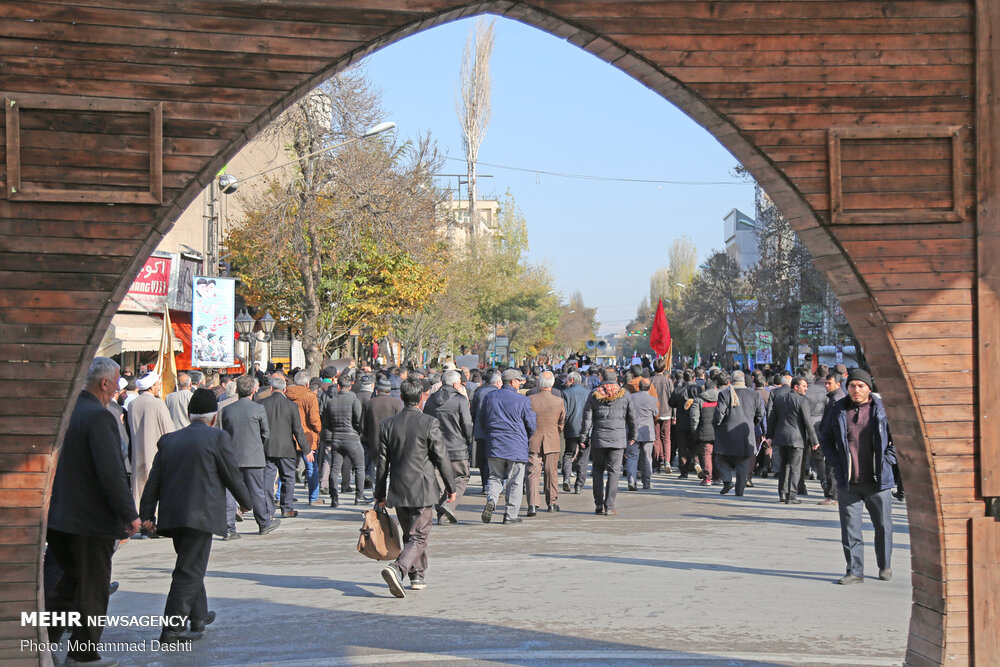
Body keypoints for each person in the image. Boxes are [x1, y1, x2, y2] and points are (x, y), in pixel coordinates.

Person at [139, 389, 254, 642]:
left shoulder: (169, 440)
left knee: (190, 563)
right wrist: (246, 502)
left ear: (190, 414)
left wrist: (146, 514)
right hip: (200, 514)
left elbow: (153, 481)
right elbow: (231, 474)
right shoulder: (217, 437)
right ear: (214, 417)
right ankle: (172, 628)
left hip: (173, 515)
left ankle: (199, 616)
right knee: (188, 570)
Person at [46, 358, 140, 666]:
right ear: (104, 383)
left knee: (69, 582)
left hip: (60, 517)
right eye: (115, 382)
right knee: (93, 587)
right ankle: (82, 654)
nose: (116, 389)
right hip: (90, 520)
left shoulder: (67, 412)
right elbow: (111, 473)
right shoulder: (99, 417)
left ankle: (43, 643)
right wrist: (129, 514)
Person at [375, 378, 456, 597]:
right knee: (418, 536)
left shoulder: (388, 424)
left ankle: (417, 575)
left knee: (410, 534)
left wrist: (379, 493)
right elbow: (441, 457)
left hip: (398, 487)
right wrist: (451, 486)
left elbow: (382, 463)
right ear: (421, 398)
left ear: (401, 397)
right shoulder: (429, 422)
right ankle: (398, 568)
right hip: (422, 487)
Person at [820, 369, 896, 585]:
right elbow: (825, 439)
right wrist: (836, 462)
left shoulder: (883, 410)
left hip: (878, 481)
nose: (856, 390)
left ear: (869, 388)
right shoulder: (837, 409)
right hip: (849, 481)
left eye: (861, 386)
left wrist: (888, 460)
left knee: (883, 527)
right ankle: (855, 571)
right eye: (852, 386)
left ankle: (884, 565)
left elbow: (899, 438)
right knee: (850, 529)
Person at [219, 375, 278, 537]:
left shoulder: (226, 410)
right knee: (257, 491)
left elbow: (222, 433)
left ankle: (229, 529)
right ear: (254, 390)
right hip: (253, 457)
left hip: (232, 457)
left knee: (229, 493)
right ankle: (264, 523)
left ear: (237, 390)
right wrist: (257, 445)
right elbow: (266, 433)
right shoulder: (258, 409)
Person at [479, 369, 536, 524]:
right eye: (519, 381)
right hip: (516, 445)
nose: (520, 384)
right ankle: (510, 515)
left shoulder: (490, 397)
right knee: (515, 481)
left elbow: (483, 420)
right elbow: (531, 424)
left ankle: (492, 499)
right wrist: (525, 437)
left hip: (495, 444)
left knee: (494, 477)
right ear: (512, 382)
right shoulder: (522, 400)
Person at [581, 368, 636, 516]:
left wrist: (584, 437)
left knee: (597, 470)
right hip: (617, 439)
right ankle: (609, 506)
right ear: (616, 379)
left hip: (599, 438)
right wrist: (633, 435)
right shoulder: (624, 394)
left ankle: (598, 504)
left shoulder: (594, 394)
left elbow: (587, 419)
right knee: (614, 472)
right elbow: (632, 417)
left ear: (601, 378)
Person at [422, 370, 473, 524]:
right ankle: (448, 507)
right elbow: (467, 423)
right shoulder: (460, 400)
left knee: (439, 482)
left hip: (436, 447)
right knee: (462, 476)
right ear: (456, 384)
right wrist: (468, 439)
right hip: (457, 447)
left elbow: (425, 422)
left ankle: (442, 515)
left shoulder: (431, 400)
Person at [259, 376, 311, 518]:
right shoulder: (291, 406)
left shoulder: (261, 403)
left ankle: (268, 510)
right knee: (288, 477)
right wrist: (307, 450)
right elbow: (298, 430)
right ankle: (286, 508)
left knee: (267, 480)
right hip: (286, 448)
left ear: (271, 389)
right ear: (285, 389)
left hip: (266, 447)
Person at [126, 371, 175, 516]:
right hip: (156, 453)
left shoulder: (132, 404)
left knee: (138, 488)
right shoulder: (158, 404)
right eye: (158, 384)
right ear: (152, 386)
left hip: (137, 453)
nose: (160, 386)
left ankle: (138, 517)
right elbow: (169, 431)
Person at [712, 371, 764, 496]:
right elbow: (760, 414)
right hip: (746, 434)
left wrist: (716, 424)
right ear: (744, 381)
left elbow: (719, 414)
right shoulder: (754, 395)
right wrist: (751, 424)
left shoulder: (724, 394)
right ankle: (739, 491)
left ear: (731, 380)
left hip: (727, 433)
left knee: (720, 459)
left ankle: (727, 480)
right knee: (743, 463)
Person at [767, 376, 818, 504]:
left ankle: (782, 493)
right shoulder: (802, 401)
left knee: (784, 465)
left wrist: (769, 435)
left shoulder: (779, 399)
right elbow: (808, 422)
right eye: (804, 386)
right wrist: (814, 441)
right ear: (796, 387)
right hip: (797, 438)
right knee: (795, 467)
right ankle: (792, 495)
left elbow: (772, 418)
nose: (806, 389)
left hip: (781, 437)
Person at [321, 373, 366, 506]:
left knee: (334, 469)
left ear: (338, 386)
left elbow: (326, 422)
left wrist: (335, 430)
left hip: (336, 438)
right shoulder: (354, 400)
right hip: (352, 437)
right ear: (350, 386)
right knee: (359, 467)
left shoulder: (330, 402)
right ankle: (359, 496)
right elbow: (359, 421)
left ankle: (334, 498)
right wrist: (358, 432)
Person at [526, 371, 566, 514]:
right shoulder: (559, 401)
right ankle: (552, 502)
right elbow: (562, 422)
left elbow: (525, 420)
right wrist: (556, 431)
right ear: (552, 383)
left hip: (533, 440)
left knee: (532, 472)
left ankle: (532, 504)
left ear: (539, 383)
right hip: (552, 439)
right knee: (551, 472)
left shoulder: (529, 399)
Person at [286, 371, 322, 505]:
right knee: (311, 467)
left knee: (286, 468)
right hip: (307, 435)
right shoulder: (310, 396)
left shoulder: (286, 394)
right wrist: (319, 430)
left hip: (289, 435)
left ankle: (281, 496)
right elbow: (314, 418)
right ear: (307, 384)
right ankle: (313, 497)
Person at [626, 377, 658, 490]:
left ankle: (631, 480)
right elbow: (656, 413)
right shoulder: (653, 399)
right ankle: (646, 482)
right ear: (649, 388)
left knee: (632, 457)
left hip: (633, 430)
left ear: (639, 386)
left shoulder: (631, 397)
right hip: (647, 432)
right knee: (647, 458)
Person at [561, 371, 591, 494]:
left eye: (567, 380)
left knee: (568, 454)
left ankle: (566, 478)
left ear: (572, 380)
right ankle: (579, 485)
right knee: (583, 457)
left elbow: (564, 412)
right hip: (586, 428)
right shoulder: (588, 392)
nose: (566, 383)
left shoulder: (565, 393)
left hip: (571, 427)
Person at [649, 358, 674, 473]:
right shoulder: (668, 381)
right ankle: (667, 461)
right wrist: (674, 415)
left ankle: (656, 464)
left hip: (654, 413)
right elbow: (672, 398)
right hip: (667, 412)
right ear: (664, 368)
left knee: (656, 438)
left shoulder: (650, 380)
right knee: (666, 438)